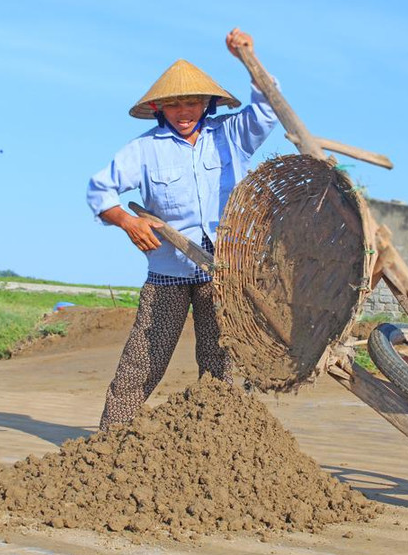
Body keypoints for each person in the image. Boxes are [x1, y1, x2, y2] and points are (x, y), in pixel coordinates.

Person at [86, 28, 279, 430]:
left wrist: (249, 59)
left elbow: (268, 109)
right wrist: (126, 220)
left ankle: (222, 442)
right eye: (174, 104)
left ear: (208, 103)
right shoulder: (143, 150)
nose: (184, 110)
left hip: (223, 273)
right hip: (167, 275)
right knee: (142, 362)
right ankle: (109, 441)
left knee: (221, 366)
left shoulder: (231, 135)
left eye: (192, 101)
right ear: (159, 107)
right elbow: (99, 190)